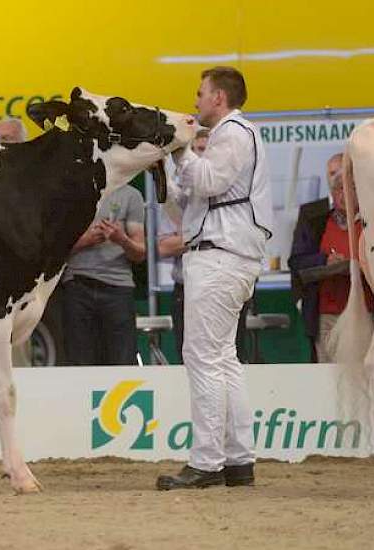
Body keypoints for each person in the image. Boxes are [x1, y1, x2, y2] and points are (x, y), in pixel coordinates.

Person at [157, 66, 273, 490]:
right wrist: (172, 163)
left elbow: (208, 181)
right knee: (224, 359)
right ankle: (238, 460)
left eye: (200, 93)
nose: (195, 101)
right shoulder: (237, 135)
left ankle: (207, 463)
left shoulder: (234, 133)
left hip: (221, 258)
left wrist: (183, 148)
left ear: (219, 98)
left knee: (204, 357)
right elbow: (188, 209)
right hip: (225, 255)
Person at [158, 129, 252, 364]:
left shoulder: (231, 193)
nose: (201, 157)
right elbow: (163, 247)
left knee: (229, 357)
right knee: (190, 359)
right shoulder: (177, 193)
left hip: (223, 281)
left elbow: (228, 238)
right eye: (197, 150)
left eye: (207, 151)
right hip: (185, 286)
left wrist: (190, 237)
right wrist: (202, 237)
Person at [61, 153, 147, 366]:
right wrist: (86, 240)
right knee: (79, 363)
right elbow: (54, 251)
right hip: (77, 284)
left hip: (118, 287)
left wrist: (121, 239)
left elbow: (140, 253)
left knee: (122, 361)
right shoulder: (73, 195)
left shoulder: (131, 196)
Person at [288, 153, 374, 363]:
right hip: (328, 315)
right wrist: (325, 262)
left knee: (367, 371)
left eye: (349, 188)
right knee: (327, 376)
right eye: (338, 189)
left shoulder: (373, 220)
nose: (343, 195)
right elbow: (297, 262)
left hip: (367, 312)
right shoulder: (317, 219)